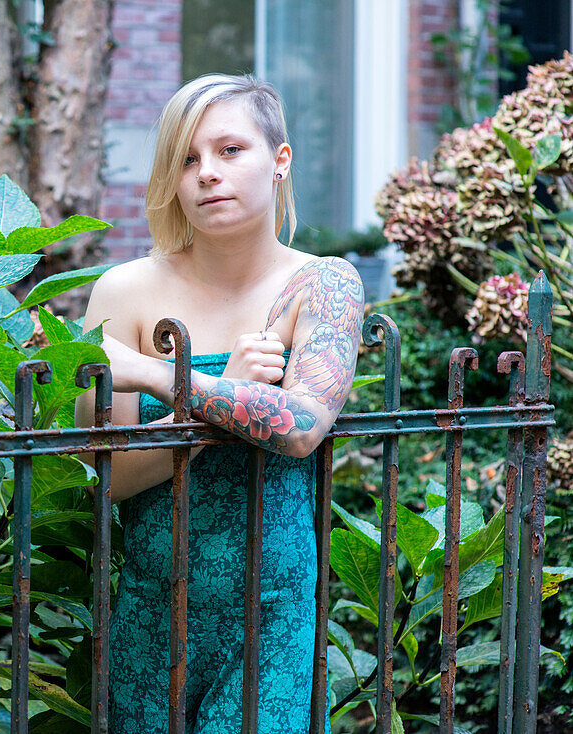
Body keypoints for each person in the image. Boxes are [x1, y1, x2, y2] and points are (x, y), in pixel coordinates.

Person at [76, 74, 363, 732]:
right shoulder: (123, 292)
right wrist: (213, 403)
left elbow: (299, 427)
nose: (208, 173)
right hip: (152, 611)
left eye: (231, 150)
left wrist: (160, 376)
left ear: (280, 160)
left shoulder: (321, 285)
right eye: (187, 158)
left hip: (273, 619)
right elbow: (102, 474)